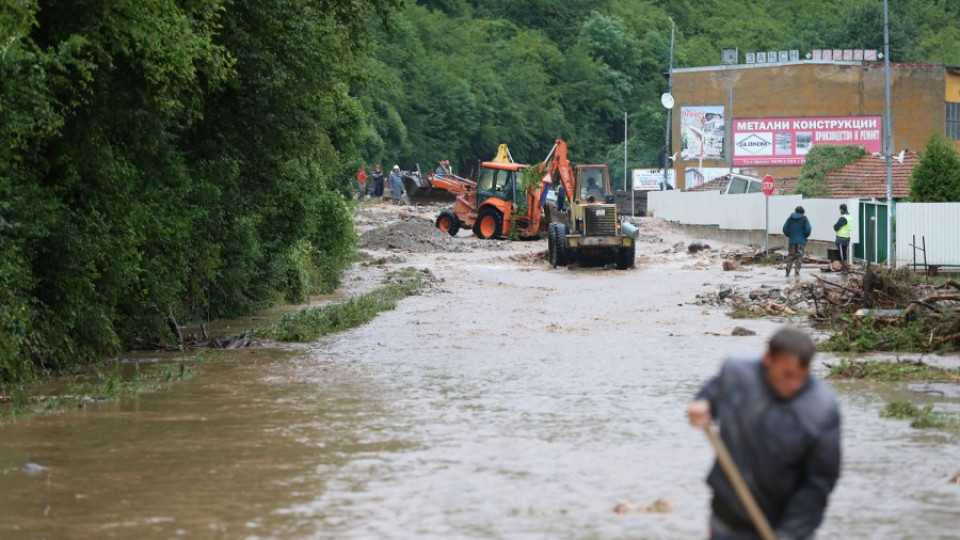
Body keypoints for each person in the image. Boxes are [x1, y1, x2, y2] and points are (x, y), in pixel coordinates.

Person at [687, 327, 841, 540]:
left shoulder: (822, 410)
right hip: (728, 519)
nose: (794, 385)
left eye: (801, 377)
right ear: (768, 359)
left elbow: (819, 481)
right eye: (787, 374)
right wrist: (704, 403)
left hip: (783, 525)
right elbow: (716, 390)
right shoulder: (737, 372)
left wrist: (789, 534)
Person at [782, 206, 811, 278]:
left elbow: (785, 229)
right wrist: (804, 236)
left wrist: (790, 235)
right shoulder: (804, 219)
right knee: (799, 256)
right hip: (801, 241)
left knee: (790, 256)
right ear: (803, 212)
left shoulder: (790, 218)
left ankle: (787, 273)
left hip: (792, 241)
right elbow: (808, 230)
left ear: (795, 211)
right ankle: (797, 273)